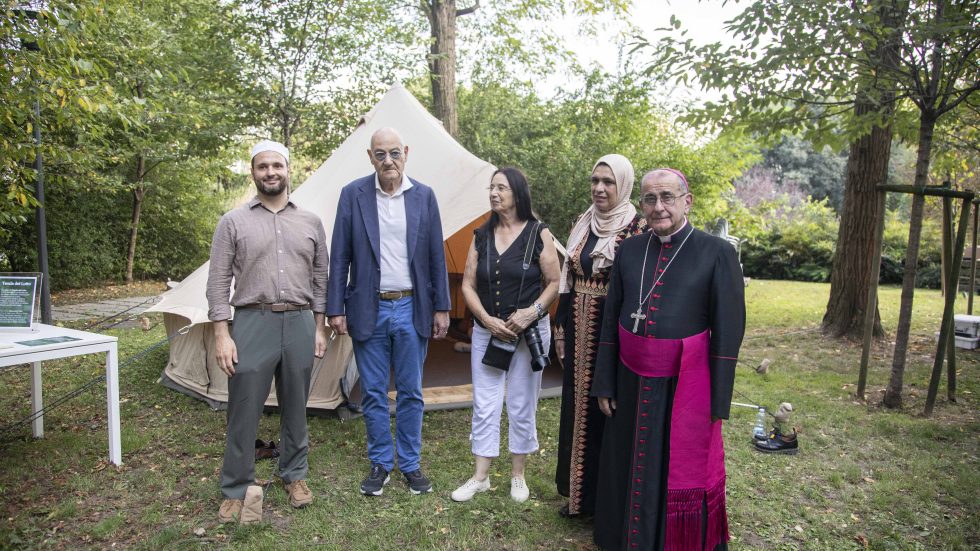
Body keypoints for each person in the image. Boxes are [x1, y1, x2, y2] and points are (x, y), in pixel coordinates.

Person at [591, 168, 745, 550]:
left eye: (667, 198)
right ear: (640, 204)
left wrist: (718, 400)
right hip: (629, 379)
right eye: (649, 199)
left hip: (685, 385)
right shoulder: (628, 249)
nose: (658, 207)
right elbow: (611, 321)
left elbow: (728, 332)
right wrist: (605, 382)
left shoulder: (717, 253)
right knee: (627, 462)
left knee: (671, 465)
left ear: (686, 201)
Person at [207, 140, 329, 524]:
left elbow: (321, 278)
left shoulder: (310, 222)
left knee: (296, 405)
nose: (271, 172)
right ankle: (235, 487)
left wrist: (320, 326)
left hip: (299, 321)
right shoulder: (233, 222)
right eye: (263, 166)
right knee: (243, 408)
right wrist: (222, 335)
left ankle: (294, 475)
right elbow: (218, 281)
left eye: (277, 165)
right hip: (251, 321)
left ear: (289, 170)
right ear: (253, 172)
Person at [327, 127, 451, 497]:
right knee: (374, 392)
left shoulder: (424, 197)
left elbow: (435, 257)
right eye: (380, 154)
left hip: (413, 305)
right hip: (369, 307)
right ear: (370, 157)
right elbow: (340, 257)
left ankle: (410, 464)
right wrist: (336, 308)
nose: (388, 161)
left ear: (406, 153)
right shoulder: (353, 195)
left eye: (394, 153)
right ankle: (381, 462)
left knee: (412, 391)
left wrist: (442, 306)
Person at [451, 167, 560, 504]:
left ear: (517, 193)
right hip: (487, 332)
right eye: (491, 187)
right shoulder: (480, 235)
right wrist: (484, 318)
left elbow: (555, 282)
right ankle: (480, 477)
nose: (494, 193)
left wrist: (532, 313)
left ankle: (518, 475)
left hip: (527, 334)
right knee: (485, 404)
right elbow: (468, 284)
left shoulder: (539, 233)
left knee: (521, 402)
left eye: (501, 188)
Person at [554, 154, 647, 518]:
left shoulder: (637, 229)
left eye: (608, 182)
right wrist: (560, 329)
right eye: (595, 180)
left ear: (622, 185)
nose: (599, 188)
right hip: (578, 333)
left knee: (607, 413)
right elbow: (568, 278)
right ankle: (579, 498)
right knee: (577, 413)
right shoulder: (582, 223)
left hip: (613, 337)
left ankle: (606, 502)